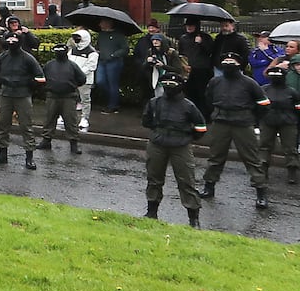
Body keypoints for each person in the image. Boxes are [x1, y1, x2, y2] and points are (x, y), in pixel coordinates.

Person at [198, 54, 271, 208]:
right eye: (225, 61)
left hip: (243, 124)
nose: (228, 64)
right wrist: (216, 114)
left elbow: (264, 103)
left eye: (232, 62)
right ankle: (209, 187)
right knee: (215, 157)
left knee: (252, 159)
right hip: (221, 122)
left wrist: (253, 119)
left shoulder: (249, 83)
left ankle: (261, 193)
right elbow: (208, 99)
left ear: (239, 64)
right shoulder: (215, 81)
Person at [142, 74, 207, 226]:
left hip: (181, 147)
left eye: (173, 83)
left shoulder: (188, 106)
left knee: (186, 181)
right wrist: (158, 133)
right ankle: (151, 212)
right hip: (157, 144)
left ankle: (193, 219)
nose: (169, 86)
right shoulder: (154, 103)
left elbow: (201, 128)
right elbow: (146, 121)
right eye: (166, 83)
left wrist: (186, 138)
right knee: (154, 178)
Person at [0, 32, 45, 169]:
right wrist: (2, 82)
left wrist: (28, 86)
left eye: (15, 40)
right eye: (9, 40)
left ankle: (29, 157)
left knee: (26, 126)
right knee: (3, 125)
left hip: (23, 95)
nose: (11, 43)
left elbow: (40, 78)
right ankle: (2, 154)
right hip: (6, 95)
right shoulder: (3, 57)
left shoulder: (28, 58)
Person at [38, 44, 88, 155]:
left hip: (68, 97)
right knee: (49, 119)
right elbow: (42, 77)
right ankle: (46, 141)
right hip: (52, 96)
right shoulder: (49, 65)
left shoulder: (72, 65)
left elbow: (82, 79)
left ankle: (73, 143)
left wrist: (71, 86)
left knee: (70, 121)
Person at [256, 65, 300, 186]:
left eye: (278, 76)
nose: (275, 78)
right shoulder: (264, 89)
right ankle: (263, 169)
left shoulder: (291, 91)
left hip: (288, 122)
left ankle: (292, 170)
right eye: (273, 76)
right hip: (268, 121)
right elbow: (257, 106)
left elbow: (298, 108)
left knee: (290, 147)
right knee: (264, 146)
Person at [64, 28, 99, 132]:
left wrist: (78, 74)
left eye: (78, 38)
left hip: (85, 80)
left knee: (85, 99)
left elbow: (91, 67)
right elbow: (68, 61)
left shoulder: (92, 52)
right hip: (72, 79)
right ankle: (66, 116)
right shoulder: (73, 50)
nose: (76, 40)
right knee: (69, 99)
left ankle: (84, 118)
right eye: (75, 38)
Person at [94, 19, 130, 113]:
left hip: (114, 62)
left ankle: (113, 105)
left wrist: (114, 55)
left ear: (108, 23)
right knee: (99, 81)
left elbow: (125, 49)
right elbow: (98, 46)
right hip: (102, 61)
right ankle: (108, 99)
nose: (100, 24)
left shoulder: (119, 35)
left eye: (102, 22)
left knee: (113, 84)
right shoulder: (101, 35)